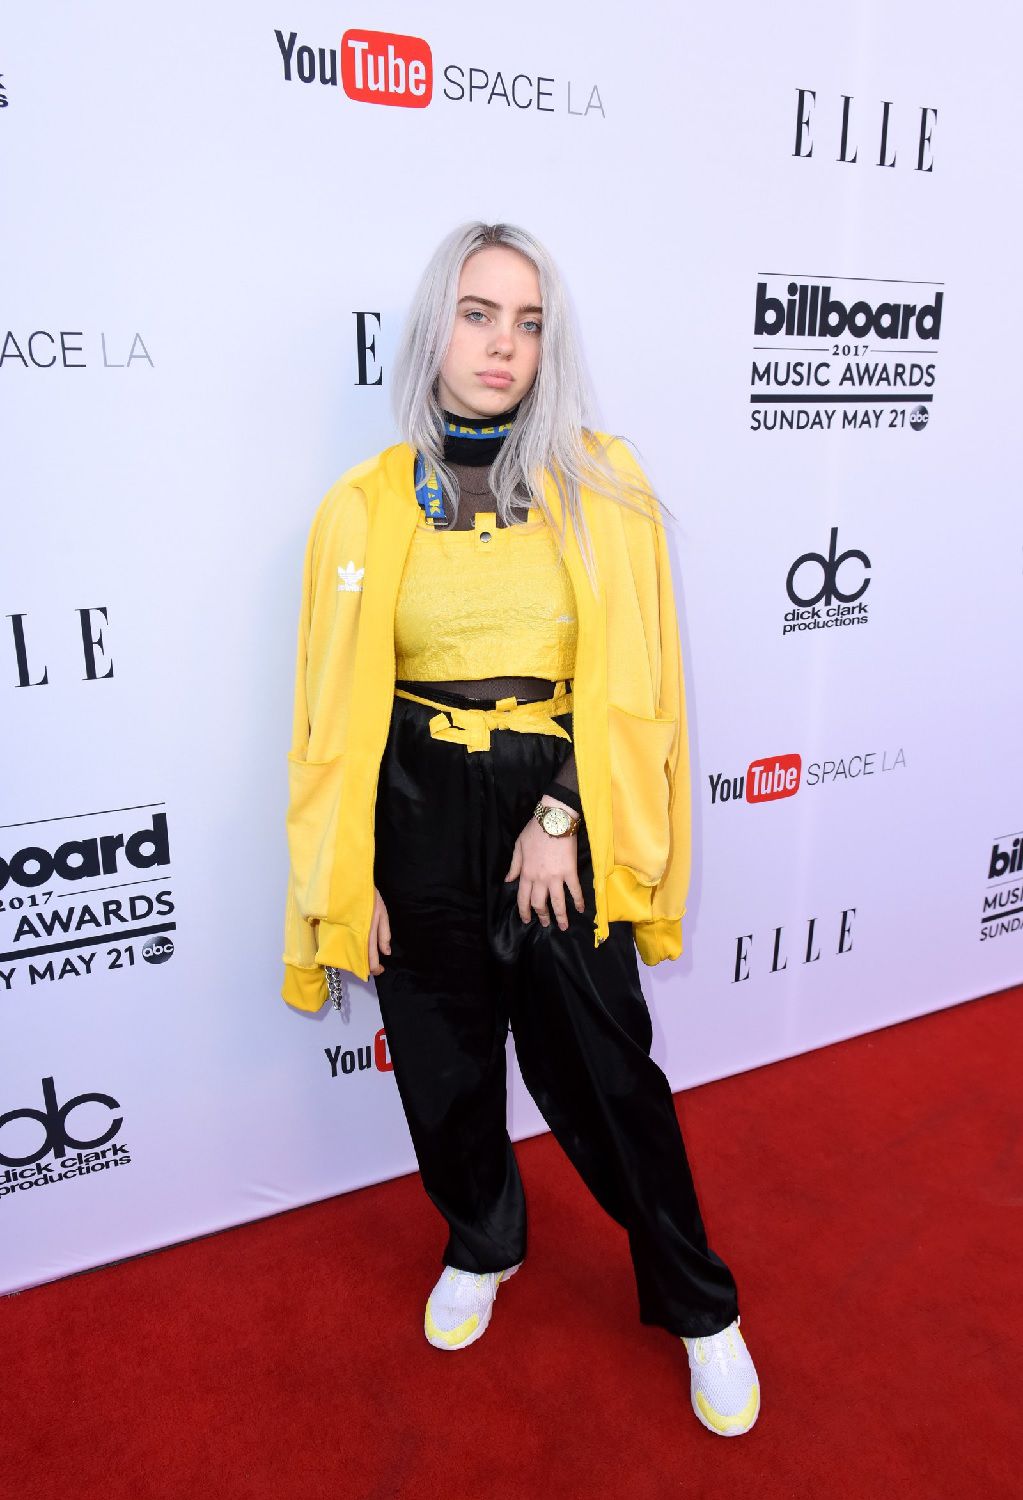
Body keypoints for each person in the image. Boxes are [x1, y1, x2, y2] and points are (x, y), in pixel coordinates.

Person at [281, 221, 761, 1437]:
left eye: (529, 323)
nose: (503, 345)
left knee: (608, 1070)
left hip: (555, 800)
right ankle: (482, 1240)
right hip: (414, 808)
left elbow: (637, 685)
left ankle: (702, 1306)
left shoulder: (603, 485)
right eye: (480, 314)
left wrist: (562, 814)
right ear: (434, 329)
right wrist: (351, 868)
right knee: (441, 1059)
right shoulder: (362, 506)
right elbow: (330, 712)